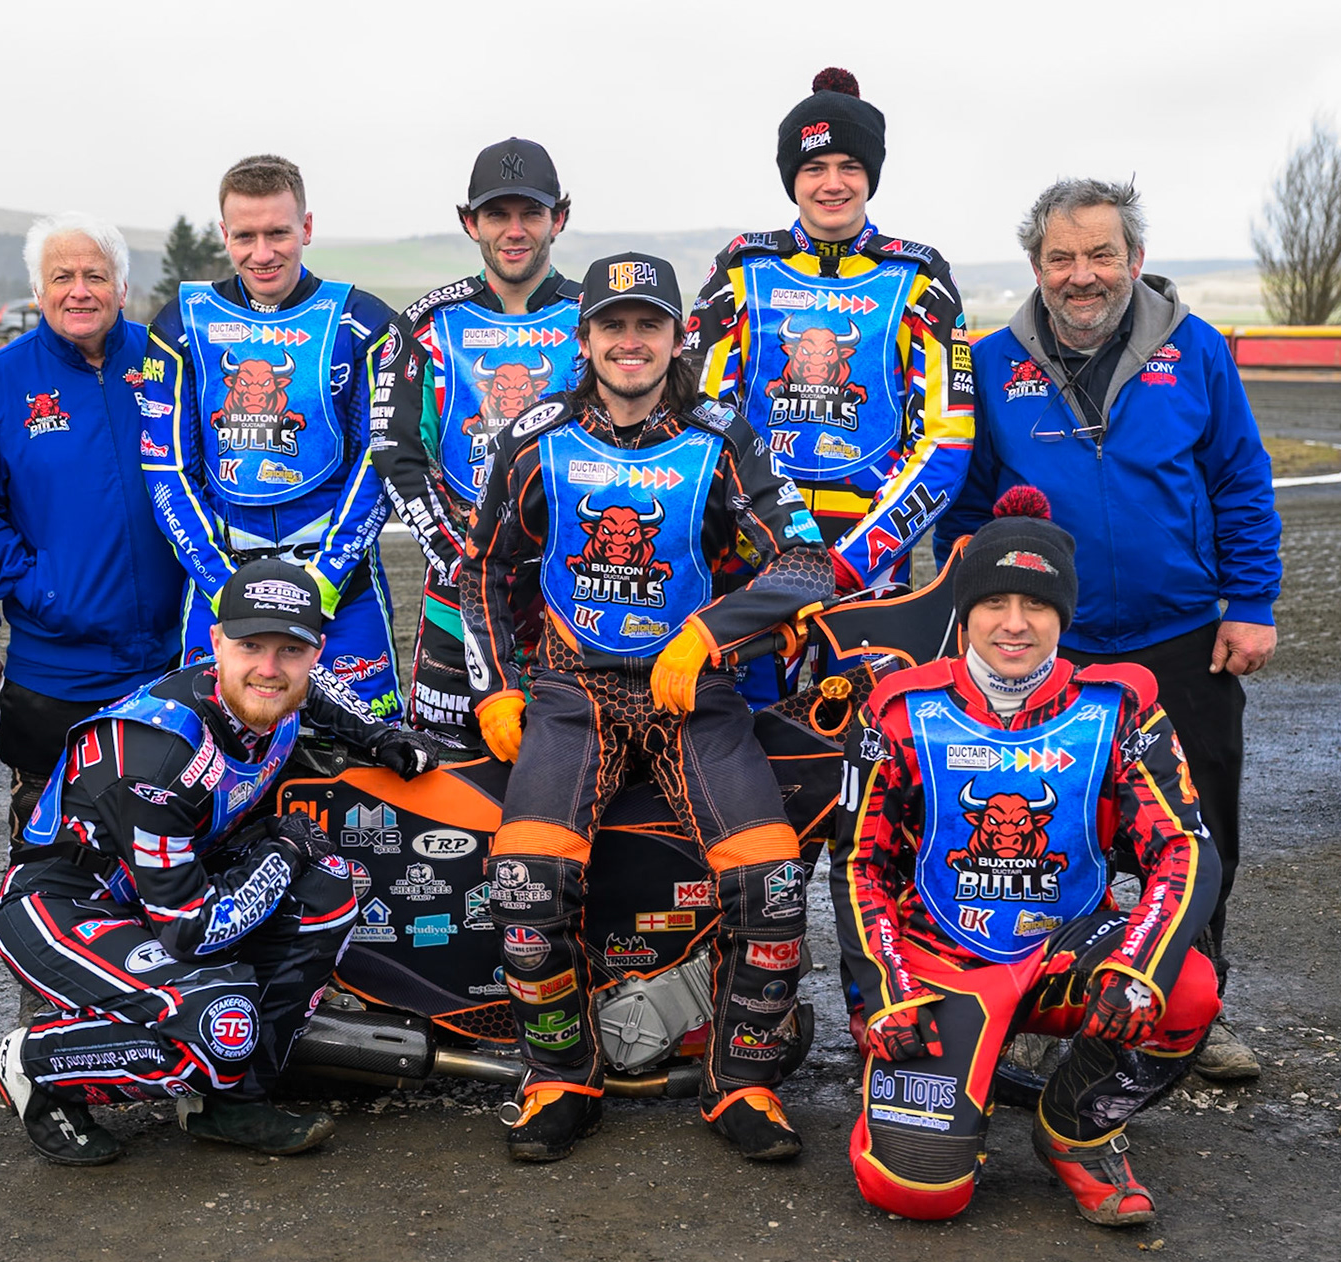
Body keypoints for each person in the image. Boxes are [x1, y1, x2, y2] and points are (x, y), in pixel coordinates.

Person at [462, 252, 836, 1162]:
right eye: (613, 326)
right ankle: (560, 1078)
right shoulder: (535, 438)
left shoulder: (721, 435)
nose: (631, 342)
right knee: (525, 885)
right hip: (571, 696)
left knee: (775, 887)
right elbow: (484, 570)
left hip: (693, 697)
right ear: (584, 339)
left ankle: (742, 1087)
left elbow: (807, 561)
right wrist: (501, 687)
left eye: (650, 325)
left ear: (679, 338)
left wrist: (708, 634)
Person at [933, 178, 1281, 1082]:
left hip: (1179, 638)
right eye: (1061, 258)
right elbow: (964, 514)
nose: (1080, 276)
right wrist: (983, 619)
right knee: (1038, 835)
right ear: (1036, 266)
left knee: (1196, 831)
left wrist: (1250, 604)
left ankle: (1188, 1008)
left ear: (1132, 259)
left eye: (1099, 255)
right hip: (1050, 652)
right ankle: (1032, 1003)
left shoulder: (1196, 352)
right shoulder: (991, 363)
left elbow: (1241, 482)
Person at [834, 486, 1221, 1227]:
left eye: (1037, 607)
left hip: (1065, 951)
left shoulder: (1121, 703)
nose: (1015, 625)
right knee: (917, 1191)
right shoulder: (899, 708)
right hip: (939, 959)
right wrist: (882, 988)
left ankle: (1076, 1125)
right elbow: (858, 864)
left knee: (1189, 989)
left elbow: (1184, 847)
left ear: (1062, 616)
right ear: (967, 613)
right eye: (995, 604)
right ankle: (946, 1099)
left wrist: (1140, 966)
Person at [0, 559, 441, 1165]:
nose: (269, 668)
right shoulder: (155, 752)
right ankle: (34, 1064)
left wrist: (383, 738)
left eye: (291, 649)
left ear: (316, 653)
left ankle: (234, 1100)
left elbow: (323, 701)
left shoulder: (280, 691)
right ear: (216, 644)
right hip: (60, 905)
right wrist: (282, 850)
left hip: (160, 891)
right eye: (250, 645)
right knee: (220, 1018)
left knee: (329, 887)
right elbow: (190, 929)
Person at [688, 66, 973, 704]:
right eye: (814, 167)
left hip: (873, 564)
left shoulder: (921, 277)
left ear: (871, 174)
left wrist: (856, 556)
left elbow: (948, 443)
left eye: (850, 165)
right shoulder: (742, 267)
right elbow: (700, 415)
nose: (833, 183)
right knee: (753, 738)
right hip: (754, 556)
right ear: (793, 177)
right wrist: (762, 544)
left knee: (871, 737)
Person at [142, 154, 417, 722]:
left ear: (307, 229)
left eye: (278, 233)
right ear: (224, 235)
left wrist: (327, 579)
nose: (261, 253)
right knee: (211, 755)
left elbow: (379, 458)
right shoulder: (180, 324)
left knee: (360, 763)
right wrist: (222, 585)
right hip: (222, 577)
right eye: (245, 236)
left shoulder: (364, 321)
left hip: (339, 582)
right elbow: (166, 469)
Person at [0, 212, 186, 857]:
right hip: (55, 668)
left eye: (95, 275)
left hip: (171, 661)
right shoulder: (2, 382)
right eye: (62, 277)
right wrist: (39, 588)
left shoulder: (170, 360)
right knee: (51, 854)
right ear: (39, 292)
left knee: (166, 845)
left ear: (122, 287)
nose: (79, 291)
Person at [372, 138, 583, 752]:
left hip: (568, 587)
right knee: (446, 778)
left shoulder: (594, 318)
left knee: (564, 764)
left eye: (531, 213)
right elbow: (396, 450)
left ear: (559, 219)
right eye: (497, 214)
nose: (514, 231)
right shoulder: (427, 324)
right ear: (471, 223)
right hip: (455, 591)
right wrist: (454, 557)